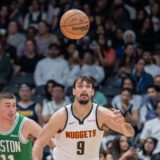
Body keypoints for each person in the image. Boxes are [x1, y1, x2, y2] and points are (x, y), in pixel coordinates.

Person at [32, 75, 135, 160]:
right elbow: (39, 143)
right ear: (73, 91)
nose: (84, 89)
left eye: (88, 86)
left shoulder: (101, 113)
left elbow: (130, 133)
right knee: (54, 144)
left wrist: (123, 124)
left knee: (55, 144)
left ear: (93, 92)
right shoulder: (61, 115)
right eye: (80, 86)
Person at [0, 92, 42, 160]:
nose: (12, 110)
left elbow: (49, 140)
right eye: (7, 106)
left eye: (14, 105)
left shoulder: (26, 124)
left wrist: (37, 153)